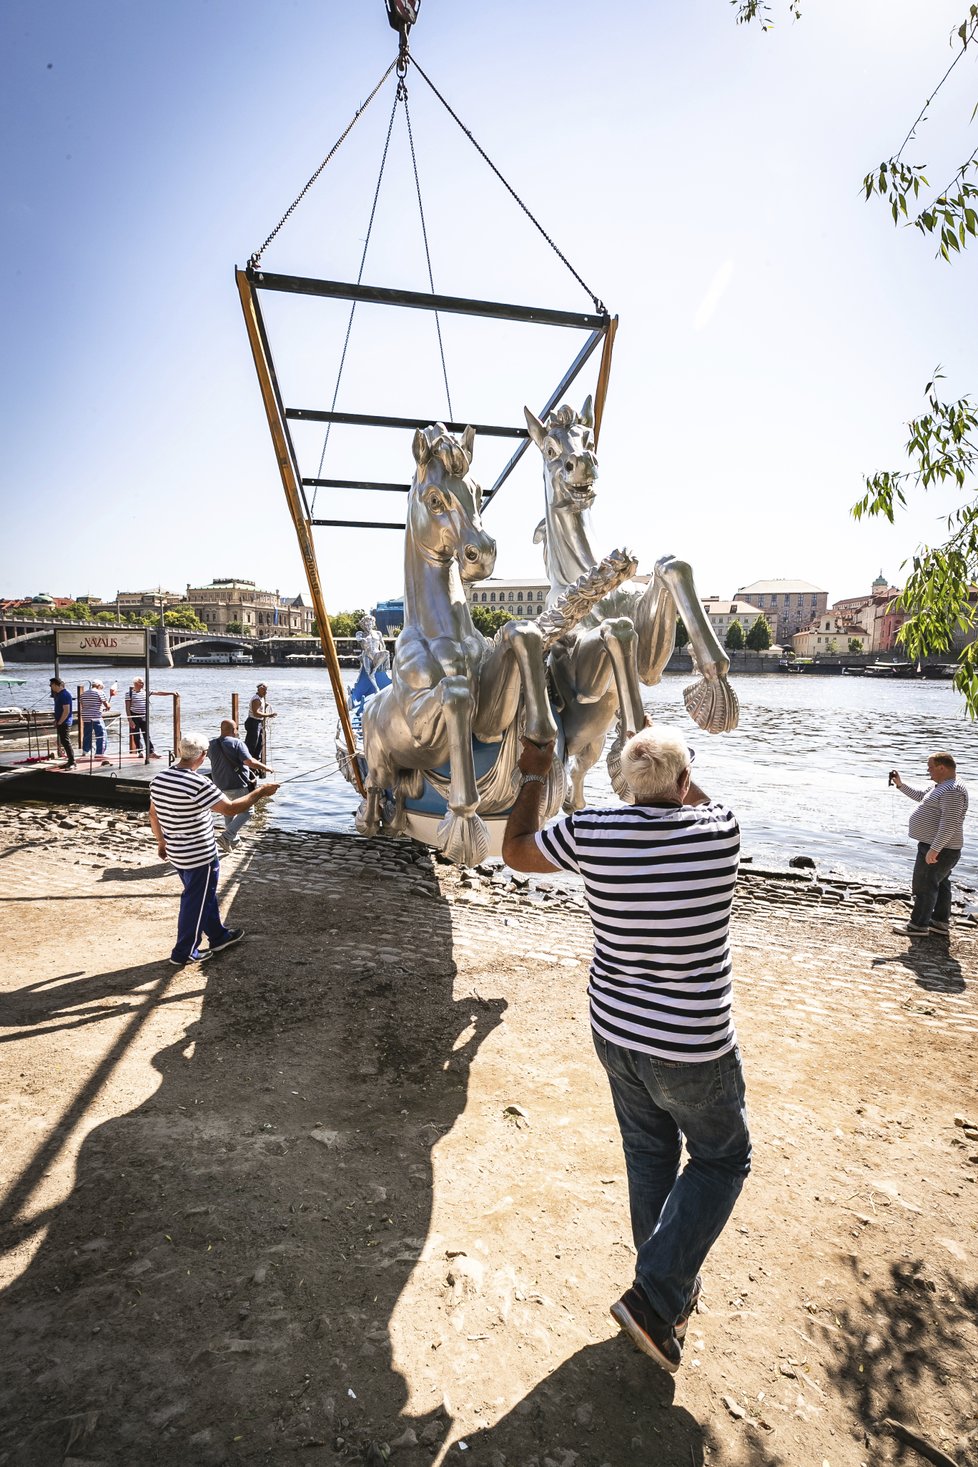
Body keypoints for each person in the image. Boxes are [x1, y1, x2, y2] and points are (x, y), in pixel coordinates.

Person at [502, 725, 751, 1375]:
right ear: (684, 782)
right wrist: (678, 775)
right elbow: (702, 799)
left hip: (617, 1033)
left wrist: (534, 772)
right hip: (693, 1044)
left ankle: (661, 1290)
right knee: (724, 1159)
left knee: (649, 1152)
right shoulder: (719, 832)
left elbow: (517, 850)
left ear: (623, 782)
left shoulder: (592, 833)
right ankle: (657, 1294)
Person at [149, 729, 280, 966]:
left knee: (201, 897)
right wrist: (260, 792)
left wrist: (161, 841)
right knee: (194, 901)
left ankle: (218, 936)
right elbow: (230, 809)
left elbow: (153, 813)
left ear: (181, 751)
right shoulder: (198, 783)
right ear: (203, 755)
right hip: (200, 855)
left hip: (178, 852)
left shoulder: (160, 779)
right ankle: (184, 952)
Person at [890, 752, 969, 937]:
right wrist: (900, 785)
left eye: (930, 767)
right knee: (940, 884)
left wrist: (935, 848)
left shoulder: (953, 790)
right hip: (939, 847)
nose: (928, 770)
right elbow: (920, 796)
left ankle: (918, 925)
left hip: (941, 848)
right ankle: (939, 922)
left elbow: (949, 823)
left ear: (942, 768)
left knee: (925, 884)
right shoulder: (942, 785)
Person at [207, 718, 273, 851]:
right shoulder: (237, 743)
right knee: (248, 811)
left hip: (219, 784)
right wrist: (265, 767)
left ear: (221, 729)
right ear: (234, 730)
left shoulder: (211, 744)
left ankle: (234, 840)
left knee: (228, 811)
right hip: (237, 783)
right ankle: (227, 836)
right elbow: (249, 762)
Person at [126, 677, 162, 759]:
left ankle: (151, 751)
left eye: (143, 682)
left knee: (147, 734)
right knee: (136, 735)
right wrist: (130, 720)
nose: (142, 684)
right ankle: (140, 751)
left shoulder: (145, 692)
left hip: (144, 715)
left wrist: (171, 693)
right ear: (135, 683)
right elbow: (127, 707)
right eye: (140, 683)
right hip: (134, 715)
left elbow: (158, 693)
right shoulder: (129, 693)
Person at [79, 679, 114, 764]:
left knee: (87, 734)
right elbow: (107, 705)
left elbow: (83, 705)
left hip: (86, 717)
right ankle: (99, 752)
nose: (102, 688)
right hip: (96, 717)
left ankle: (85, 751)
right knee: (101, 734)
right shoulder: (100, 693)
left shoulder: (83, 694)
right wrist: (108, 706)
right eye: (101, 687)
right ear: (99, 686)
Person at [243, 683, 276, 763]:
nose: (266, 692)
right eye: (264, 690)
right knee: (252, 743)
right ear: (259, 689)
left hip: (259, 722)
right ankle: (247, 760)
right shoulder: (256, 699)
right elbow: (256, 713)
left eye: (266, 690)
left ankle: (255, 759)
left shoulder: (262, 698)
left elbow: (261, 706)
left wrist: (265, 705)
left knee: (260, 742)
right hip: (253, 722)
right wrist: (269, 715)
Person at [49, 677, 75, 769]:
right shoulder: (59, 695)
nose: (50, 687)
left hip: (65, 722)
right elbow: (60, 710)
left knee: (66, 742)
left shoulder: (64, 694)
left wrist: (60, 722)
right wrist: (56, 720)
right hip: (61, 722)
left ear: (56, 685)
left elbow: (66, 711)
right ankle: (70, 760)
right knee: (64, 742)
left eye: (51, 685)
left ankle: (72, 762)